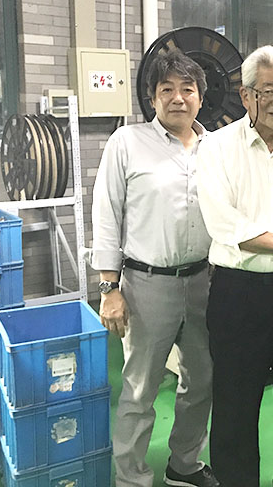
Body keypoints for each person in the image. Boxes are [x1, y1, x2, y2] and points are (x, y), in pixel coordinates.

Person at [196, 45, 273, 487]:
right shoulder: (216, 147)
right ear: (246, 95)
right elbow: (221, 221)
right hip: (238, 291)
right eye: (268, 91)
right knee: (235, 399)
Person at [91, 50, 218, 487]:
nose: (178, 98)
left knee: (201, 381)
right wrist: (109, 287)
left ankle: (184, 465)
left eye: (187, 89)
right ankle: (131, 478)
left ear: (200, 97)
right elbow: (106, 214)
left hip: (204, 282)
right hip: (146, 285)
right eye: (167, 89)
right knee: (140, 388)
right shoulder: (127, 142)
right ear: (152, 98)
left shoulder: (216, 147)